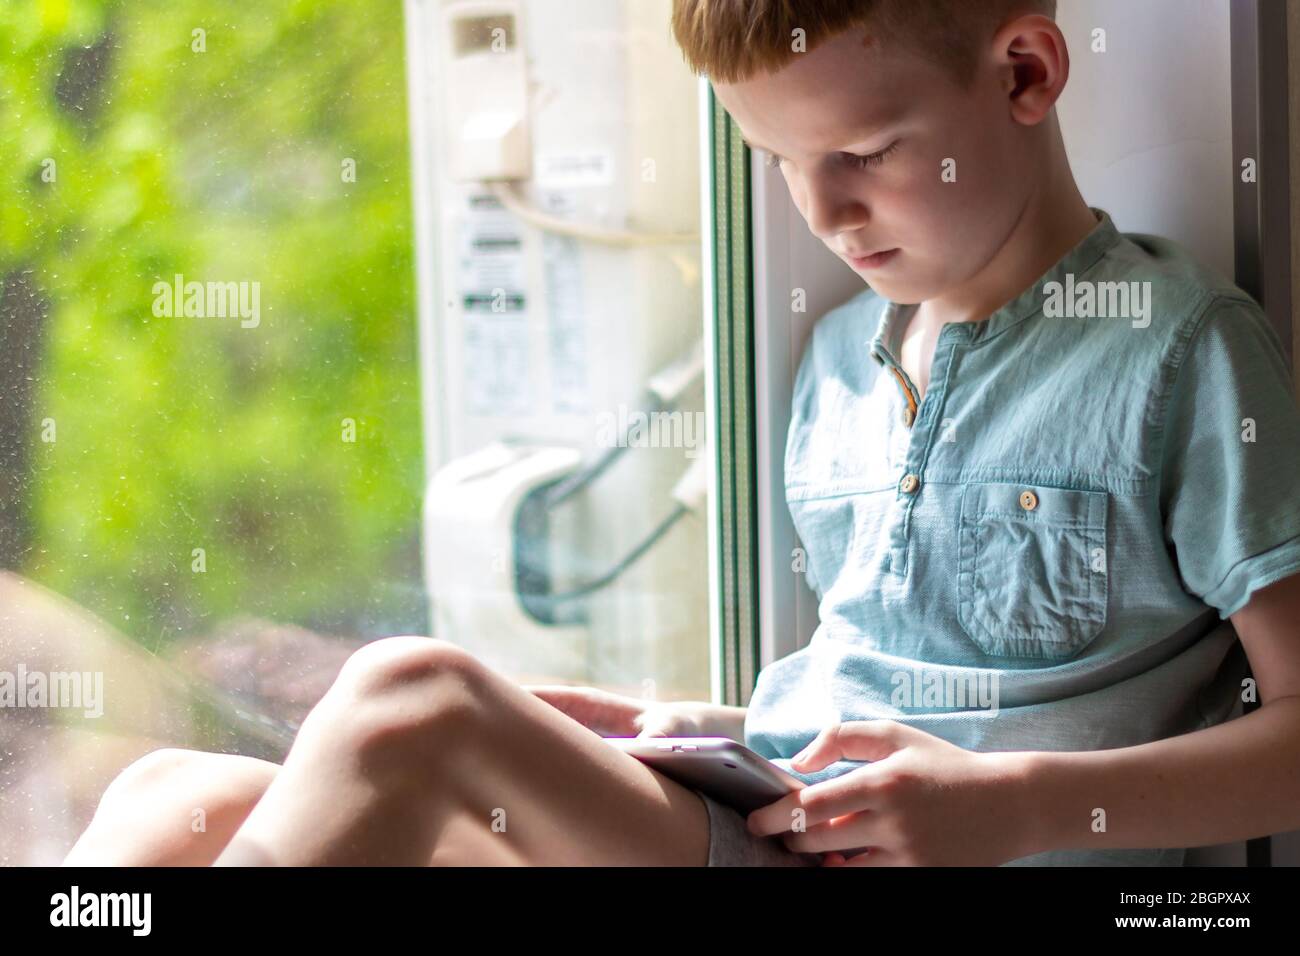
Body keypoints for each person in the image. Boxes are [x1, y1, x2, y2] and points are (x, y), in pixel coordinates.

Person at [64, 0, 1300, 867]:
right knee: (179, 799)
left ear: (1025, 74)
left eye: (862, 152)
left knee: (409, 698)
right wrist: (699, 731)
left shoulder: (1178, 349)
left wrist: (1015, 804)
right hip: (774, 827)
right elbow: (869, 682)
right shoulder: (838, 364)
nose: (822, 210)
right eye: (774, 161)